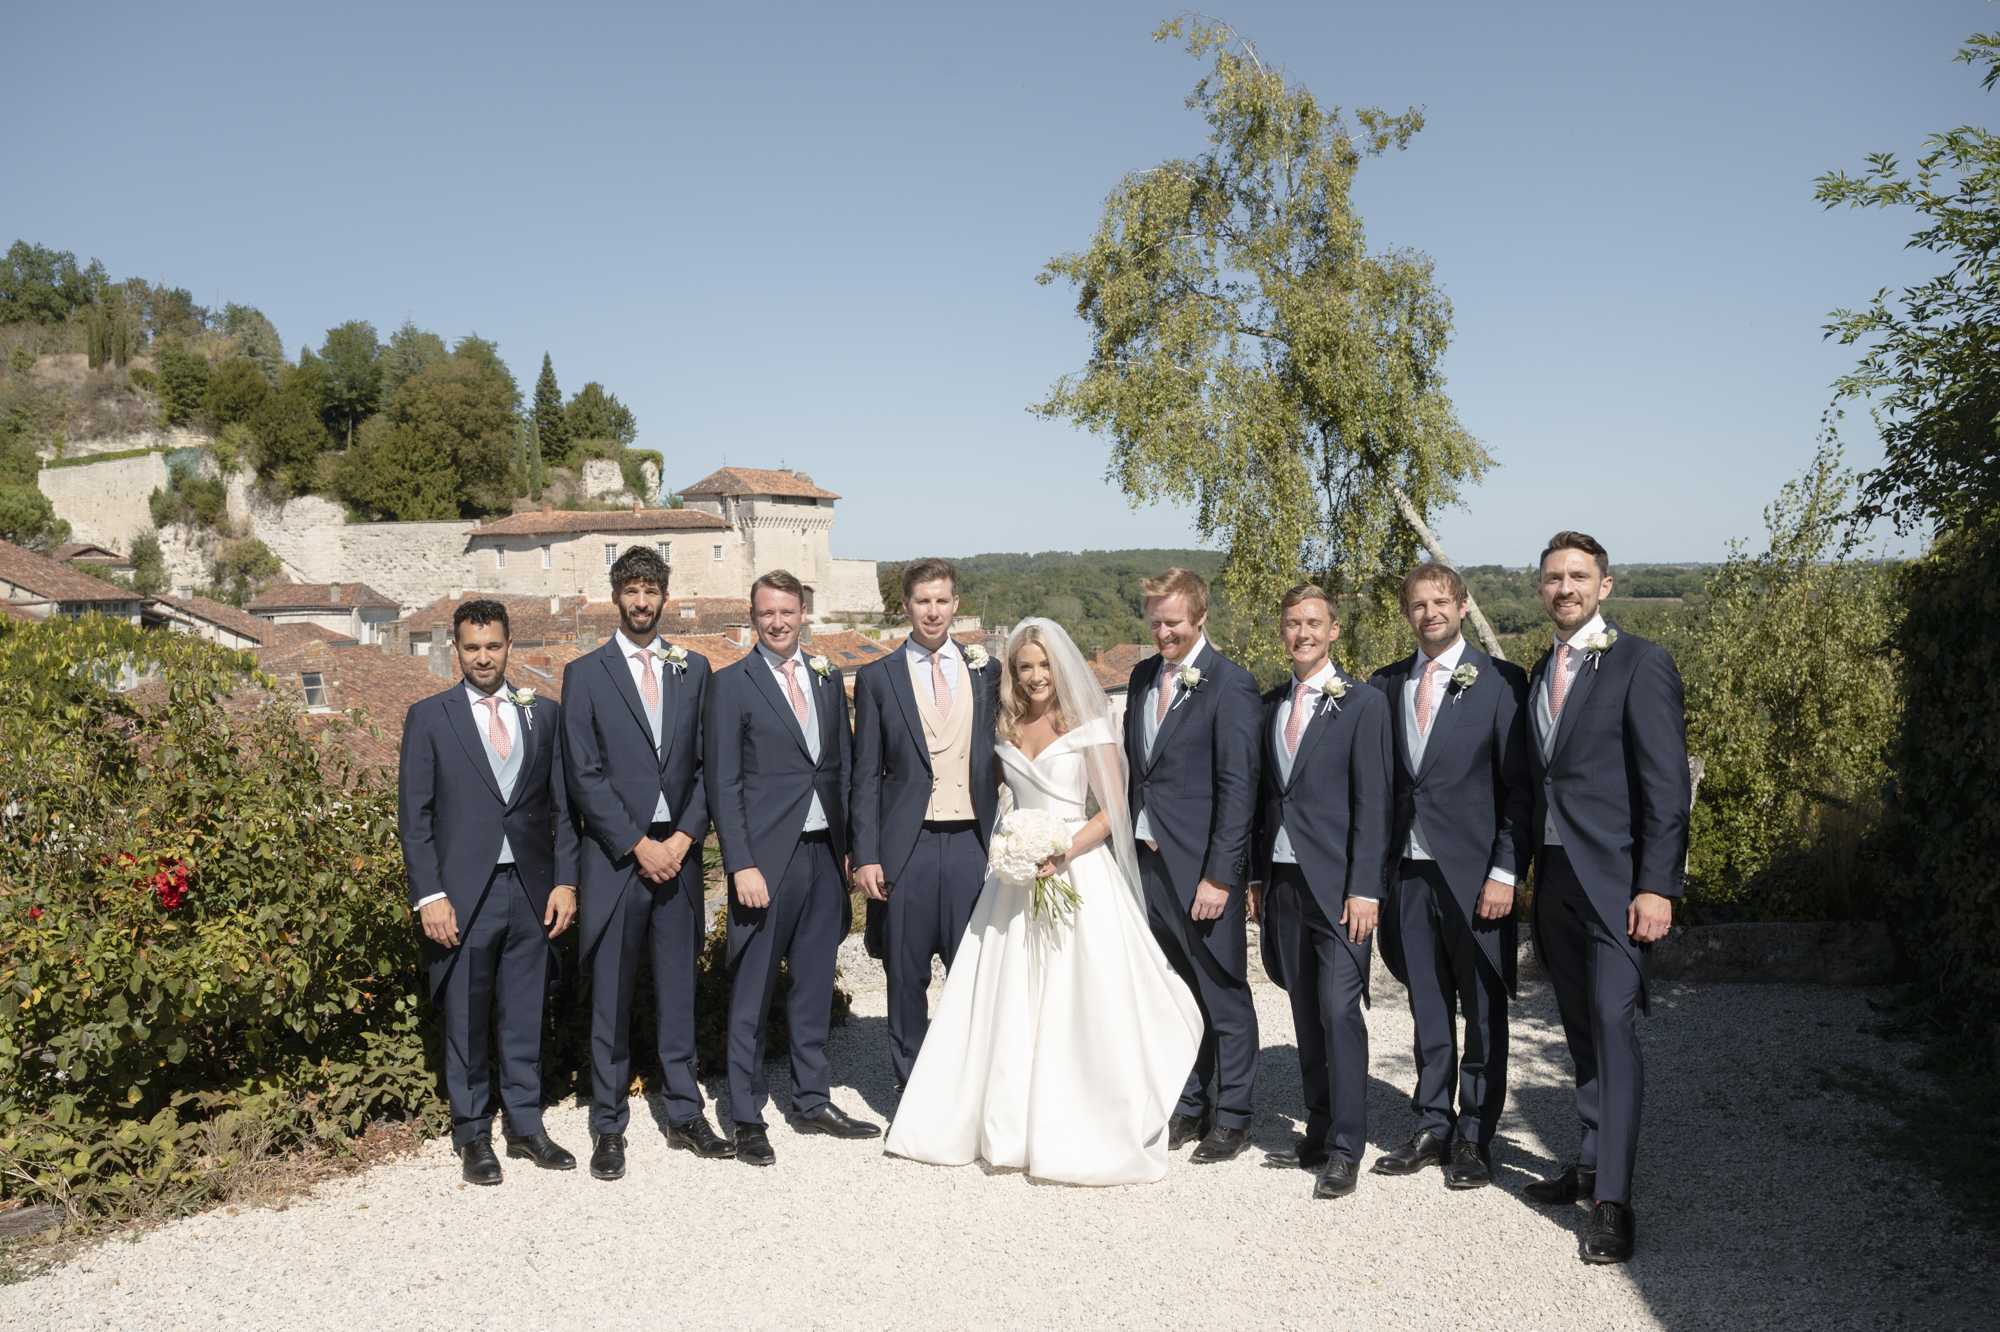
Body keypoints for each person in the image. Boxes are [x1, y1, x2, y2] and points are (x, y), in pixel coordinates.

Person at [885, 619, 1202, 1185]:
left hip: (1077, 874)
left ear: (1061, 668)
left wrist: (1062, 849)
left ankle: (1079, 1115)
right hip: (1013, 883)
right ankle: (1006, 1121)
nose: (1035, 676)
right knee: (1007, 996)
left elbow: (1112, 811)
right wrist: (1012, 847)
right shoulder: (1007, 724)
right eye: (1024, 666)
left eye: (1043, 665)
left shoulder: (1089, 725)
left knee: (1077, 995)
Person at [1522, 531, 1690, 1264]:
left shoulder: (1640, 663)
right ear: (1542, 589)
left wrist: (1658, 885)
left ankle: (1614, 1201)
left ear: (1605, 586)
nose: (1566, 588)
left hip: (1619, 884)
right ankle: (1589, 1159)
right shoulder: (1540, 669)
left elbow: (1666, 786)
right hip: (1554, 878)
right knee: (1580, 1027)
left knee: (1614, 1029)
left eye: (1578, 577)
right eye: (1554, 578)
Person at [562, 546, 732, 1181]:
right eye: (630, 590)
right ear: (615, 596)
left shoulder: (696, 669)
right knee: (610, 997)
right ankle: (609, 1126)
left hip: (681, 857)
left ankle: (685, 1114)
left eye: (650, 590)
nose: (640, 602)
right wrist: (638, 845)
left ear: (665, 596)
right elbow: (584, 775)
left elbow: (707, 767)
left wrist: (685, 840)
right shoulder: (585, 674)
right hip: (617, 860)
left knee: (678, 992)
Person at [397, 599, 580, 1185]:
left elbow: (564, 809)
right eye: (472, 647)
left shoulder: (542, 716)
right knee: (467, 1019)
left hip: (531, 890)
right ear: (457, 650)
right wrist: (430, 896)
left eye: (493, 646)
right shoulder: (429, 717)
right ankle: (474, 1134)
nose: (483, 657)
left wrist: (565, 881)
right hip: (462, 896)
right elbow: (415, 818)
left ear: (509, 646)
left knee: (526, 1014)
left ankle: (526, 1127)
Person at [704, 569, 878, 1166]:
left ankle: (811, 1099)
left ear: (804, 612)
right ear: (752, 617)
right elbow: (723, 783)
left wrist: (854, 845)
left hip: (824, 856)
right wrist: (741, 863)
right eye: (765, 613)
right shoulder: (731, 685)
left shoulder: (828, 678)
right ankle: (747, 1115)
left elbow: (846, 766)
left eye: (787, 611)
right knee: (751, 993)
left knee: (811, 984)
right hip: (764, 863)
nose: (777, 622)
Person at [1367, 563, 1532, 1190]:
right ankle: (1432, 1121)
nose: (1429, 612)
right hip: (1406, 875)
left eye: (1441, 601)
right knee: (1426, 1002)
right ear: (1407, 613)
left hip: (1476, 876)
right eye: (1417, 604)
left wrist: (1505, 869)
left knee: (1484, 1007)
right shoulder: (1384, 687)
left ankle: (1474, 1135)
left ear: (1463, 607)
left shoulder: (1500, 682)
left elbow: (1519, 791)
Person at [1246, 584, 1393, 1199]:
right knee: (1304, 1007)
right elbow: (1262, 799)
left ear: (1333, 630)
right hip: (1281, 883)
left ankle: (1347, 1146)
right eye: (1291, 623)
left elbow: (1375, 801)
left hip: (1340, 888)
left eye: (1313, 623)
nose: (1302, 633)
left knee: (1339, 1008)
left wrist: (1365, 887)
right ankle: (1320, 1121)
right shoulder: (1271, 703)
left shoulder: (1363, 704)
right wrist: (1255, 874)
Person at [1122, 567, 1263, 1163]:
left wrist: (1221, 876)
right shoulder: (1140, 676)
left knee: (1223, 994)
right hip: (1147, 865)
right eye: (1155, 621)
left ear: (1201, 616)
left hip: (1203, 872)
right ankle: (1189, 1103)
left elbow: (1239, 790)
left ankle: (1233, 1117)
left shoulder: (1232, 686)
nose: (1163, 633)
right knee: (1175, 993)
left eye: (1174, 622)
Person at [849, 558, 1001, 1092]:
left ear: (955, 605)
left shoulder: (988, 670)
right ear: (906, 606)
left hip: (970, 843)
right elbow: (864, 774)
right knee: (905, 977)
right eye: (922, 601)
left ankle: (966, 1089)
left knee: (971, 974)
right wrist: (865, 853)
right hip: (904, 849)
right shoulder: (877, 678)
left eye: (941, 600)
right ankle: (912, 1092)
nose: (932, 611)